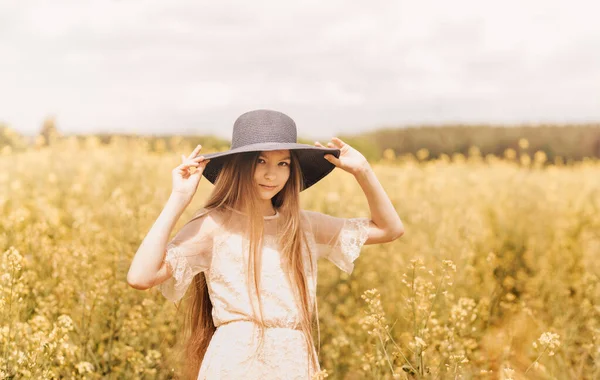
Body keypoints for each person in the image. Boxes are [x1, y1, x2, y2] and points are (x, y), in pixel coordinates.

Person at [126, 109, 404, 380]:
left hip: (294, 360)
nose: (272, 174)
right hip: (235, 363)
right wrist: (179, 197)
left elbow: (389, 229)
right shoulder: (214, 224)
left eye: (283, 163)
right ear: (239, 165)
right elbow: (141, 277)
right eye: (260, 161)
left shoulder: (303, 224)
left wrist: (363, 171)